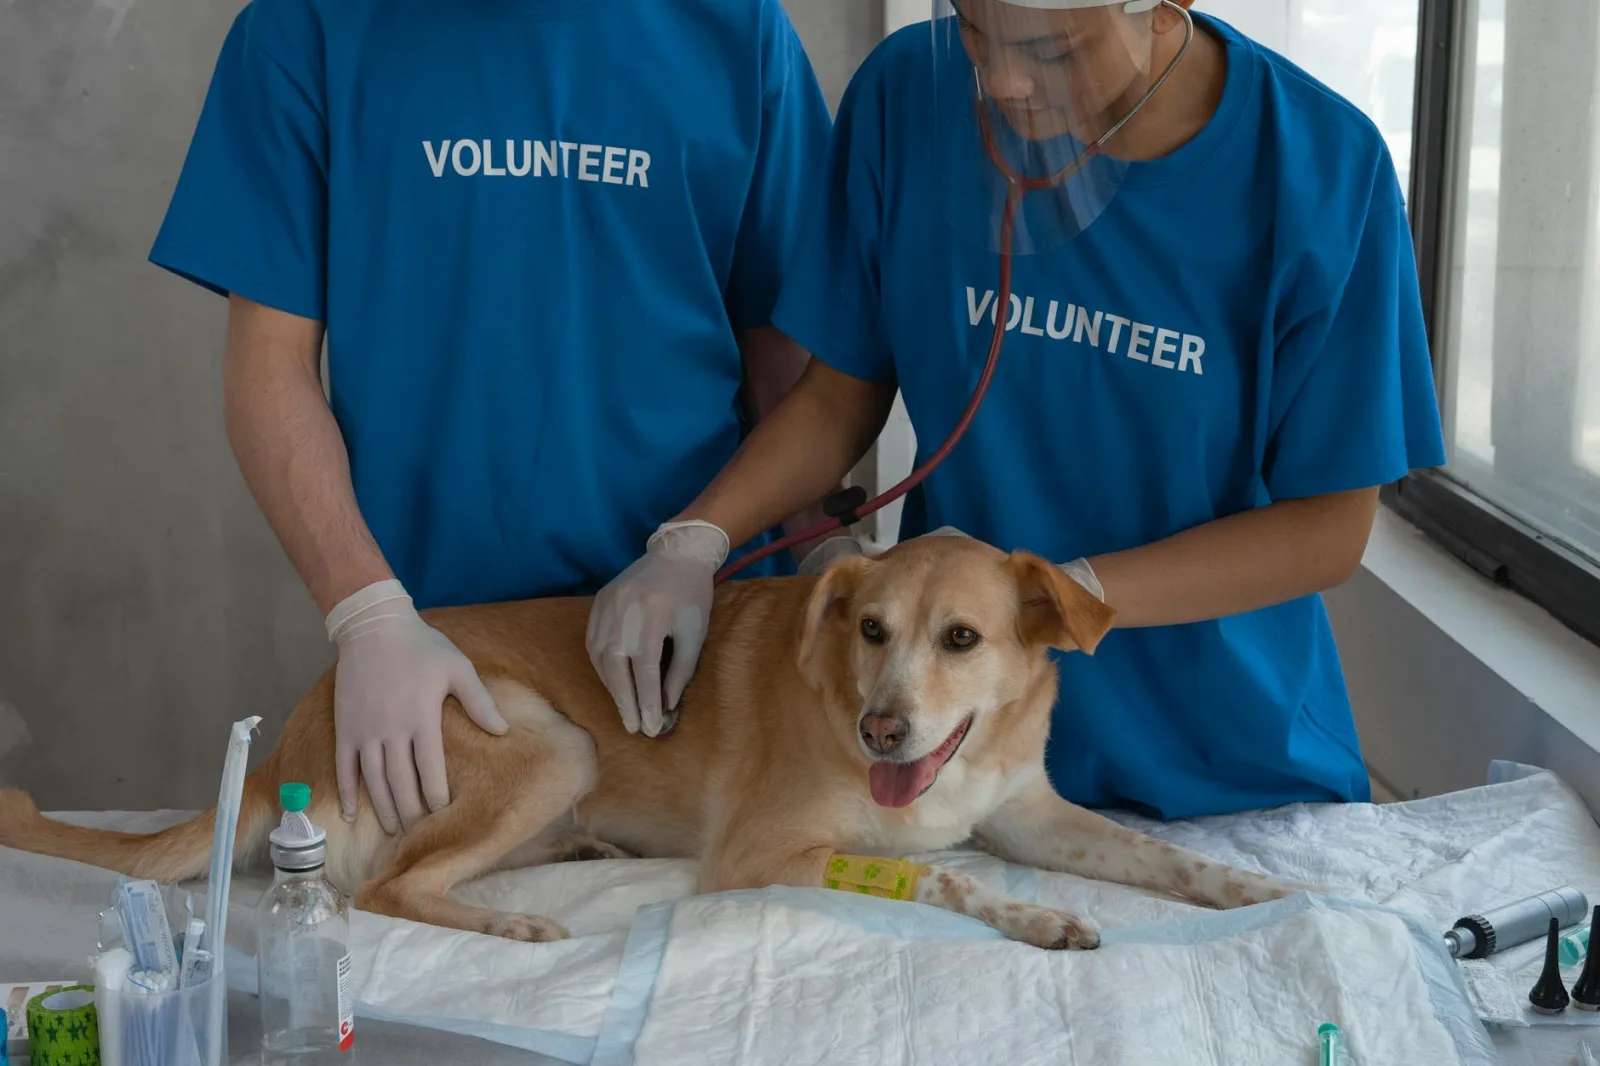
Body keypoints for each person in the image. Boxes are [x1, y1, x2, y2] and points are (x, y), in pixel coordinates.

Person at [587, 0, 1448, 820]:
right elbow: (837, 400)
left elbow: (1328, 531)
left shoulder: (1323, 173)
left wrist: (1069, 596)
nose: (998, 81)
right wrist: (694, 540)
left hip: (1224, 758)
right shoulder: (907, 98)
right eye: (972, 27)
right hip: (962, 761)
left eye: (1050, 50)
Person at [148, 0, 849, 835]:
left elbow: (790, 366)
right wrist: (366, 613)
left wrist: (815, 550)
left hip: (696, 652)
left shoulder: (739, 31)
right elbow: (270, 365)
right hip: (453, 665)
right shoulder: (309, 28)